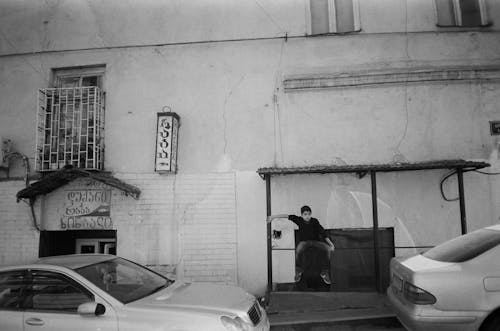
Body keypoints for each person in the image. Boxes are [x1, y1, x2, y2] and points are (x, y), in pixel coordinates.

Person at [268, 205, 335, 284]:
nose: (307, 216)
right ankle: (298, 270)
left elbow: (323, 233)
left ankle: (324, 272)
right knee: (298, 249)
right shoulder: (299, 220)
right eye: (305, 214)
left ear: (311, 214)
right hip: (304, 242)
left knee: (327, 249)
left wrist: (331, 244)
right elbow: (286, 216)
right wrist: (273, 217)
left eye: (309, 214)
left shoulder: (314, 221)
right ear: (302, 215)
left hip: (315, 242)